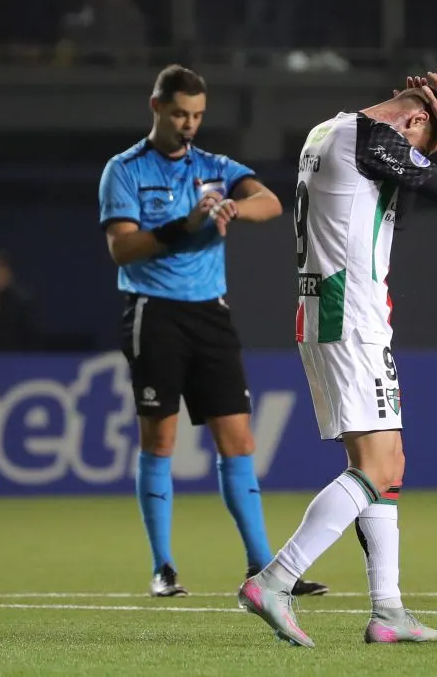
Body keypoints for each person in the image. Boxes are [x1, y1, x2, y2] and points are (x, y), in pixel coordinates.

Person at [238, 72, 437, 647]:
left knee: (388, 463)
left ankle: (387, 610)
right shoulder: (372, 138)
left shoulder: (326, 131)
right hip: (351, 316)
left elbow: (394, 205)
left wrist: (426, 144)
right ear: (416, 121)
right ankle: (275, 579)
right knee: (378, 468)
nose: (418, 162)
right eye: (423, 147)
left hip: (331, 311)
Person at [97, 64, 328, 599]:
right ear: (156, 107)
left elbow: (270, 201)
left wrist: (233, 209)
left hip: (210, 314)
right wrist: (188, 226)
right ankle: (164, 567)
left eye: (198, 115)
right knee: (161, 439)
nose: (189, 124)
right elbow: (122, 247)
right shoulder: (125, 170)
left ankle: (262, 566)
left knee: (239, 440)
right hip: (152, 311)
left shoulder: (214, 166)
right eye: (180, 113)